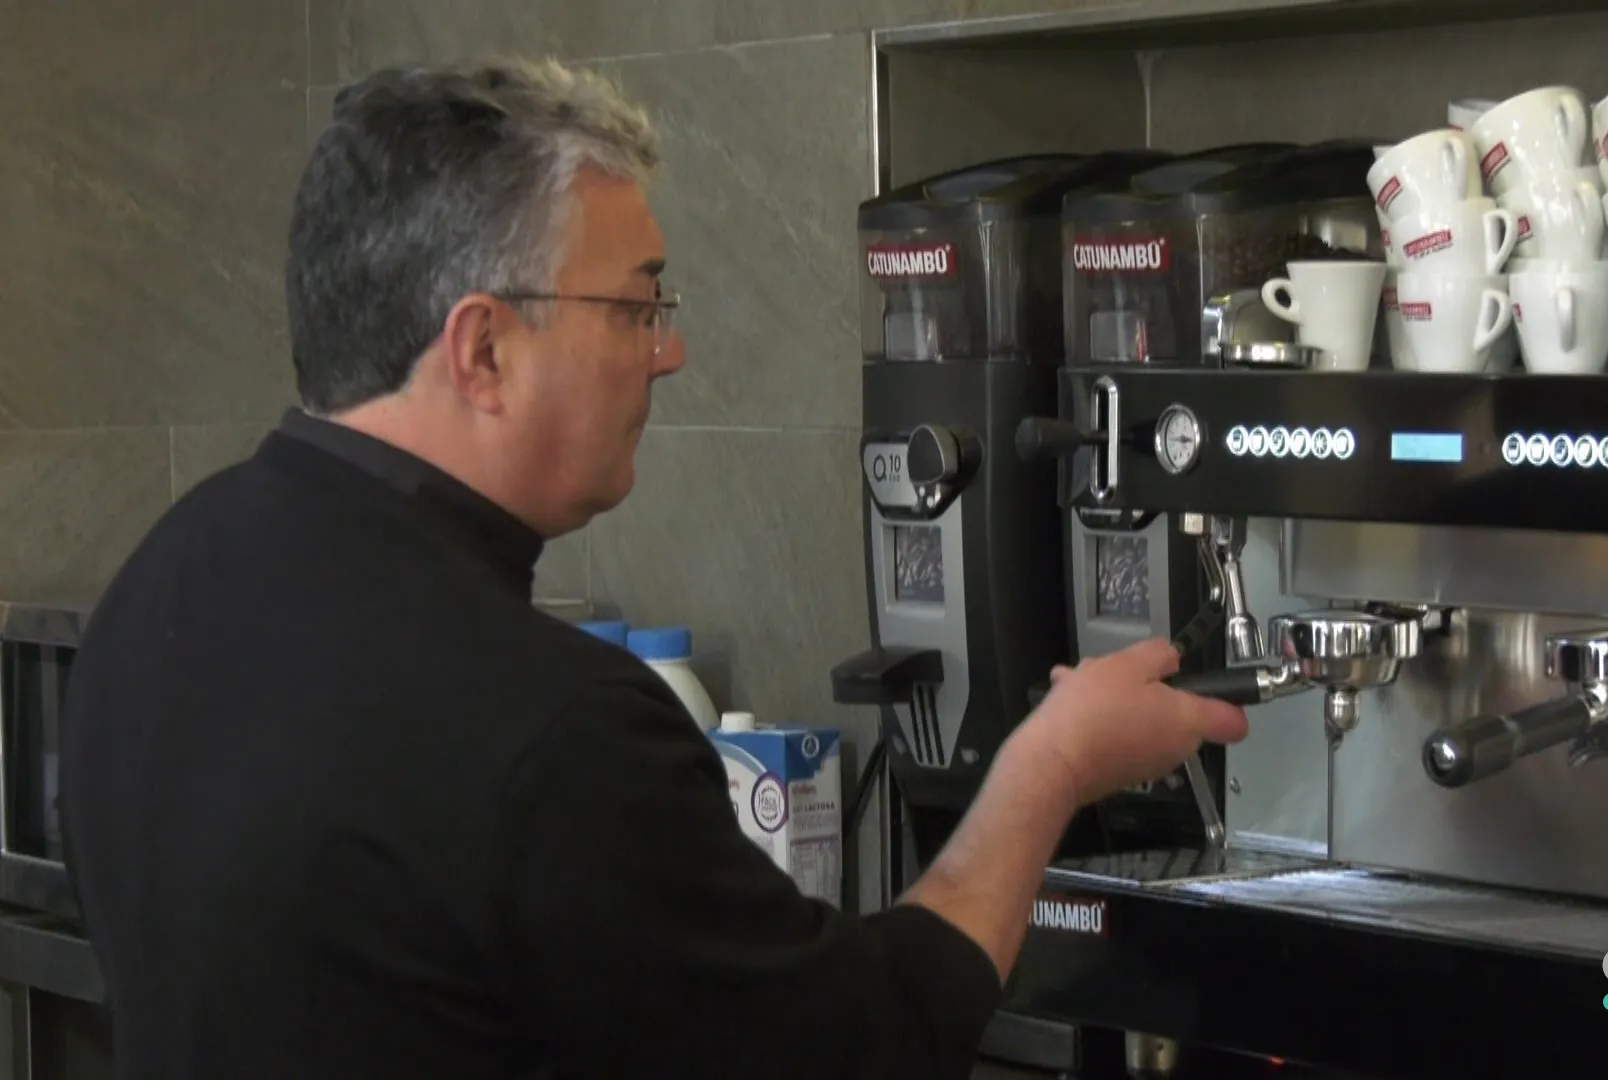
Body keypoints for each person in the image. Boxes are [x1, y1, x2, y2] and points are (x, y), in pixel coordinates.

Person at [57, 57, 1249, 1079]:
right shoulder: (547, 727)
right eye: (637, 306)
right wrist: (1049, 764)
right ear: (483, 348)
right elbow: (863, 1048)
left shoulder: (163, 579)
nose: (668, 353)